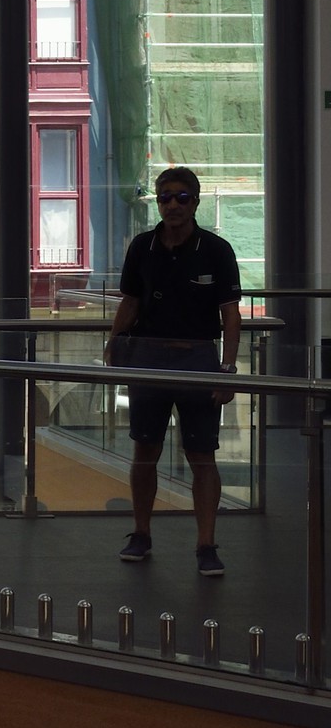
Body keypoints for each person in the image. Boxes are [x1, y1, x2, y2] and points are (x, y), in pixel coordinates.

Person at [105, 167, 241, 578]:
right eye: (165, 197)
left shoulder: (216, 250)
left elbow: (230, 315)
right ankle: (141, 534)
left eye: (182, 197)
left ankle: (206, 545)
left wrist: (228, 369)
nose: (173, 204)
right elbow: (130, 301)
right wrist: (114, 346)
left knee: (202, 454)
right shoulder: (143, 248)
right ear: (158, 202)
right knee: (145, 449)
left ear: (196, 202)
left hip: (198, 361)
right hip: (147, 358)